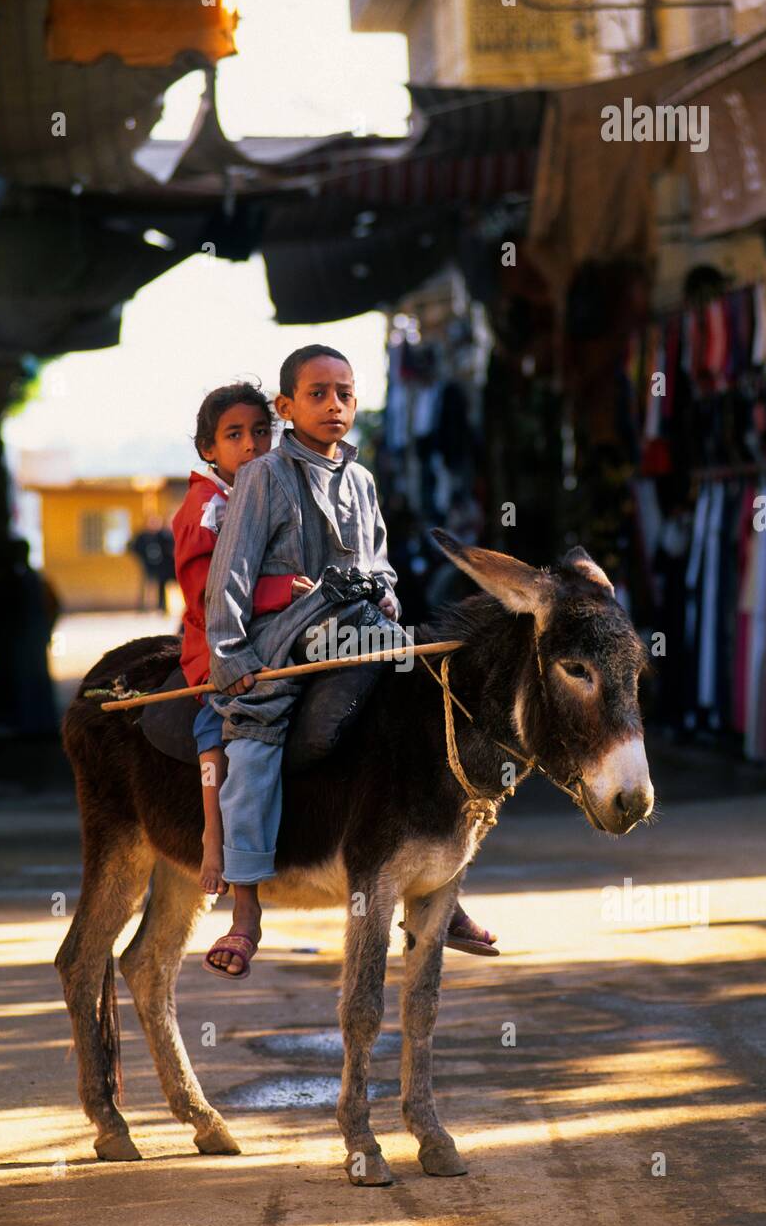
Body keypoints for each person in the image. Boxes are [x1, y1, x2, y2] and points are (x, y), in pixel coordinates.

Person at [204, 345, 497, 981]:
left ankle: (442, 889)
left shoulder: (362, 481)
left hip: (364, 629)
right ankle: (246, 910)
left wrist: (383, 590)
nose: (333, 405)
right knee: (253, 746)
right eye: (316, 394)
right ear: (285, 408)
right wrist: (232, 659)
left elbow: (383, 563)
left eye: (344, 393)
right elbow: (229, 577)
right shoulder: (264, 477)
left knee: (429, 707)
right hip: (286, 641)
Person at [172, 383, 313, 931]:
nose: (251, 444)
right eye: (235, 435)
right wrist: (280, 592)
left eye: (261, 431)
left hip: (274, 633)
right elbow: (210, 593)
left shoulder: (271, 489)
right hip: (217, 643)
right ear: (209, 449)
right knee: (222, 720)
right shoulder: (205, 509)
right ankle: (215, 838)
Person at [129, 515, 173, 611]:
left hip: (162, 566)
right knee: (147, 585)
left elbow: (169, 548)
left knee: (161, 586)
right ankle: (144, 606)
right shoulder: (142, 536)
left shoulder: (162, 535)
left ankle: (161, 606)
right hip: (148, 565)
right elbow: (134, 548)